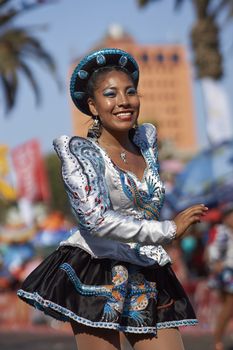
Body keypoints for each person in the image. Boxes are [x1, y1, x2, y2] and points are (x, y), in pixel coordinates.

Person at [17, 48, 208, 350]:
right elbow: (96, 220)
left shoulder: (146, 145)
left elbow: (147, 206)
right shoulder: (81, 154)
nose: (123, 101)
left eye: (130, 91)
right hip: (96, 267)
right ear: (93, 106)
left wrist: (185, 219)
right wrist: (169, 230)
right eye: (111, 94)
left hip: (147, 267)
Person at [207, 203, 233, 350]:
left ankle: (219, 337)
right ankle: (217, 339)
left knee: (228, 307)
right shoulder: (222, 232)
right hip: (227, 273)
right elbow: (213, 250)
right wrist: (216, 263)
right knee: (229, 306)